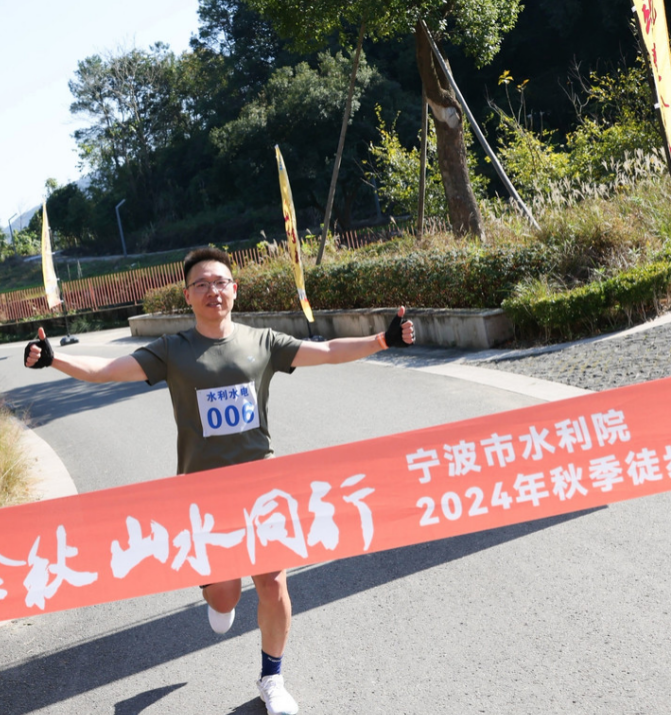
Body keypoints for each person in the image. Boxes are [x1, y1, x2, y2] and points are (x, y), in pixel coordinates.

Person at [24, 247, 414, 715]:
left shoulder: (262, 341)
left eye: (221, 282)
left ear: (235, 290)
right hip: (203, 497)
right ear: (188, 295)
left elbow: (328, 352)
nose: (213, 290)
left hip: (262, 487)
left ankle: (272, 678)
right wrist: (54, 359)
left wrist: (382, 339)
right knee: (226, 595)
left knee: (273, 583)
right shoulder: (173, 350)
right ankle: (219, 598)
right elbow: (107, 371)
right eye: (202, 284)